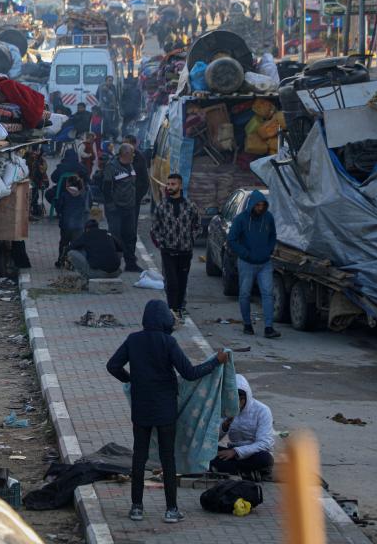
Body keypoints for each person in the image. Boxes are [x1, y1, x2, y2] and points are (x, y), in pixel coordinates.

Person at [107, 300, 229, 524]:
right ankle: (171, 509)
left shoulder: (133, 340)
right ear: (164, 319)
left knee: (139, 457)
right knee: (167, 459)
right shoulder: (168, 342)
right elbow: (191, 373)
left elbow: (112, 366)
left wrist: (132, 380)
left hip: (141, 408)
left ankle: (136, 508)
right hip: (165, 410)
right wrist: (215, 361)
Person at [227, 190, 281, 339]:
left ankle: (269, 327)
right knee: (245, 294)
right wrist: (245, 253)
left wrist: (269, 250)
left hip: (265, 263)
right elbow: (231, 239)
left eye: (262, 205)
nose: (260, 208)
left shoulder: (268, 218)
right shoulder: (241, 219)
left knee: (268, 294)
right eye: (257, 205)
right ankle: (247, 324)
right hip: (246, 263)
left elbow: (273, 235)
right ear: (252, 204)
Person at [150, 174, 202, 318]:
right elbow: (155, 228)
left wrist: (191, 239)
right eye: (168, 184)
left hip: (185, 252)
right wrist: (162, 243)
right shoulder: (161, 206)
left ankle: (178, 310)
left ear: (180, 186)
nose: (170, 187)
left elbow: (197, 225)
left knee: (181, 283)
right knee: (171, 283)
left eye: (173, 184)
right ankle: (171, 311)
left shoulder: (190, 206)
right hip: (168, 252)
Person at [209, 374, 275, 478]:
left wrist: (236, 452)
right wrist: (225, 425)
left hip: (254, 452)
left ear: (244, 399)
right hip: (233, 451)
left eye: (237, 400)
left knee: (265, 459)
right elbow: (213, 439)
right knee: (208, 451)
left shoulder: (262, 410)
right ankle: (247, 473)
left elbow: (264, 443)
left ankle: (230, 470)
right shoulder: (226, 409)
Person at [102, 143, 141, 272]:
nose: (134, 155)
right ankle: (113, 264)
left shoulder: (131, 166)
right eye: (132, 153)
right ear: (126, 154)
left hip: (129, 208)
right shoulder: (111, 167)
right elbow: (106, 189)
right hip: (116, 209)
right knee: (115, 237)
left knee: (130, 236)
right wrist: (111, 207)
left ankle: (131, 264)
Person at [53, 175, 89, 260]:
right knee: (76, 244)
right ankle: (75, 262)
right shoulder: (83, 194)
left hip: (66, 224)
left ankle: (61, 260)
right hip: (79, 225)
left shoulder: (64, 195)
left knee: (64, 243)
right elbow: (87, 207)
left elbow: (59, 208)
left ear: (68, 184)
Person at [96, 75, 121, 140]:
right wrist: (103, 103)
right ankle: (106, 135)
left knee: (112, 122)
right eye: (109, 80)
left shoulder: (113, 87)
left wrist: (116, 104)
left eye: (111, 81)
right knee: (105, 122)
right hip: (104, 108)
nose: (110, 82)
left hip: (112, 109)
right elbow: (99, 96)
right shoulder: (102, 87)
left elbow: (115, 96)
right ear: (106, 81)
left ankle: (110, 135)